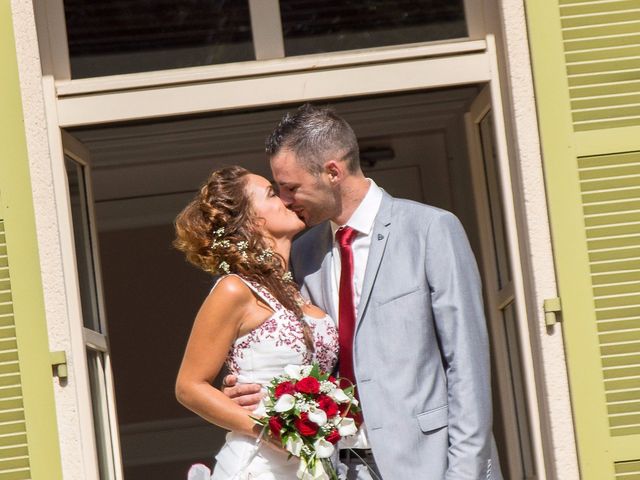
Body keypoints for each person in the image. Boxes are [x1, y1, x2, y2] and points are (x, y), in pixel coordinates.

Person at [224, 104, 503, 479]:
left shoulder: (431, 230)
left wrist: (465, 474)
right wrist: (252, 388)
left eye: (291, 187)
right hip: (339, 465)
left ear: (333, 172)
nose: (286, 200)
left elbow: (466, 364)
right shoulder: (304, 254)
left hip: (431, 464)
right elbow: (299, 352)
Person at [173, 166, 339, 479]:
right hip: (260, 465)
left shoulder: (302, 288)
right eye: (272, 193)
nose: (287, 199)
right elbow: (189, 387)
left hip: (314, 464)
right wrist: (268, 431)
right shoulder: (235, 289)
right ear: (251, 220)